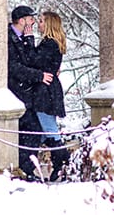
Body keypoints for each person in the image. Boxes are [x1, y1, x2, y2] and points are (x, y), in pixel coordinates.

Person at [7, 5, 53, 181]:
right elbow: (15, 67)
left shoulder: (22, 37)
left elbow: (30, 59)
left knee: (33, 130)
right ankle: (22, 169)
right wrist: (39, 75)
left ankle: (24, 169)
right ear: (22, 20)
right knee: (32, 129)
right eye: (30, 18)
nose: (33, 21)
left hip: (26, 92)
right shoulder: (8, 38)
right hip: (15, 92)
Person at [32, 11, 70, 181]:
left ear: (48, 25)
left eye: (40, 21)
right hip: (48, 90)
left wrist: (27, 40)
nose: (37, 24)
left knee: (50, 130)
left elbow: (35, 61)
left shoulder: (50, 44)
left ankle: (62, 162)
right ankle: (56, 164)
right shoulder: (52, 43)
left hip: (46, 92)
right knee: (43, 130)